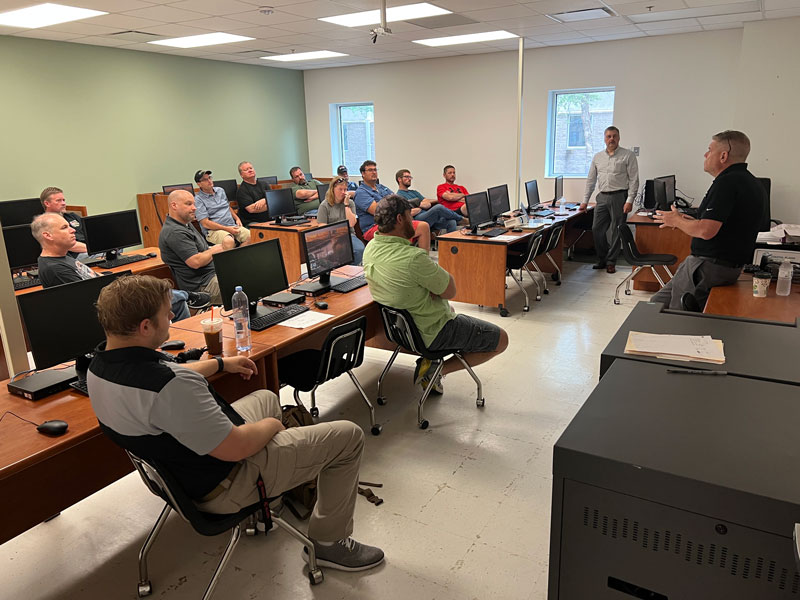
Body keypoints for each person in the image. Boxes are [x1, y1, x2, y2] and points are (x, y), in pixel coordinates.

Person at [88, 274, 384, 572]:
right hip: (224, 483)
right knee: (348, 436)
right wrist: (273, 426)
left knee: (266, 397)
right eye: (167, 313)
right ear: (145, 327)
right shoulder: (172, 387)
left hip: (182, 469)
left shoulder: (100, 366)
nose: (171, 318)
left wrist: (221, 363)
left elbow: (168, 373)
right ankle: (330, 544)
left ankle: (274, 497)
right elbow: (236, 447)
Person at [363, 195, 508, 393]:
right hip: (431, 333)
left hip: (402, 332)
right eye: (408, 216)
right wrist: (431, 288)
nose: (413, 222)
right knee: (501, 339)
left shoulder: (371, 248)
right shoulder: (413, 259)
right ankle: (436, 369)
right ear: (399, 219)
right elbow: (450, 290)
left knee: (449, 307)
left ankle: (431, 363)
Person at [650, 130, 767, 310]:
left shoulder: (727, 183)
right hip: (723, 266)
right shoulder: (750, 181)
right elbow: (726, 223)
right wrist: (686, 220)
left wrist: (676, 221)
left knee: (678, 317)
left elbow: (706, 231)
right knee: (656, 304)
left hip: (708, 266)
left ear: (723, 156)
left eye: (709, 150)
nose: (705, 155)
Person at [31, 212, 205, 319]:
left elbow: (94, 280)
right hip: (113, 308)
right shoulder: (55, 268)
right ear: (48, 235)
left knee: (162, 292)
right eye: (64, 228)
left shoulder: (63, 258)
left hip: (111, 295)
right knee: (173, 300)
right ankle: (186, 299)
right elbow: (91, 300)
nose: (73, 230)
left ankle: (184, 298)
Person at [579, 126, 640, 274]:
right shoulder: (598, 157)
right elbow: (591, 180)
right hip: (602, 196)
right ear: (604, 139)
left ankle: (611, 261)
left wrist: (630, 200)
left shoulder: (628, 155)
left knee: (616, 230)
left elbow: (634, 179)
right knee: (596, 229)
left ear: (618, 138)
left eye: (614, 136)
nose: (611, 139)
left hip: (620, 197)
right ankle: (602, 258)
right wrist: (585, 200)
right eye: (608, 136)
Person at [158, 190, 225, 304]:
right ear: (174, 205)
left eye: (194, 204)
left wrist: (208, 252)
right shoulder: (174, 231)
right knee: (243, 288)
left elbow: (202, 251)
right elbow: (195, 262)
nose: (194, 208)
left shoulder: (185, 224)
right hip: (203, 286)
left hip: (212, 276)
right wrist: (215, 249)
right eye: (188, 204)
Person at [353, 160, 431, 250]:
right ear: (363, 174)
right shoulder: (361, 192)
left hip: (391, 222)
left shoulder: (381, 187)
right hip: (374, 227)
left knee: (423, 226)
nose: (374, 172)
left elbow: (397, 200)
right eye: (370, 170)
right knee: (418, 227)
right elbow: (378, 211)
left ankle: (422, 259)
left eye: (375, 170)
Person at [193, 170, 250, 250]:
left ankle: (238, 257)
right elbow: (205, 223)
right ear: (199, 184)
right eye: (205, 180)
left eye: (209, 178)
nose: (209, 181)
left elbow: (227, 207)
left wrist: (237, 219)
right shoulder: (198, 199)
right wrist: (227, 229)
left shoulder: (220, 190)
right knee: (228, 241)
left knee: (251, 236)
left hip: (231, 226)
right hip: (214, 231)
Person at [395, 169, 464, 233]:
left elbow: (427, 203)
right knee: (438, 208)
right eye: (406, 177)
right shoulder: (399, 196)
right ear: (399, 179)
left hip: (428, 215)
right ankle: (461, 219)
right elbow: (408, 213)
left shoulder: (414, 192)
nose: (409, 179)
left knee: (451, 222)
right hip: (417, 219)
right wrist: (420, 206)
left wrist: (417, 204)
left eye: (410, 177)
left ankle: (449, 245)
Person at [317, 177, 364, 265]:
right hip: (331, 237)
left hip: (348, 235)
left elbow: (352, 223)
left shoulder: (350, 203)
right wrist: (333, 237)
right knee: (338, 253)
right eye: (340, 189)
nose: (343, 192)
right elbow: (321, 226)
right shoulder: (324, 205)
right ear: (333, 190)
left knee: (359, 250)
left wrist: (346, 205)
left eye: (345, 189)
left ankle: (352, 273)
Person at [40, 186, 88, 257]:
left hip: (88, 250)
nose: (63, 203)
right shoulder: (45, 223)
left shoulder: (72, 216)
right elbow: (67, 245)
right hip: (75, 256)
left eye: (63, 200)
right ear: (47, 203)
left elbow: (89, 233)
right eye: (58, 200)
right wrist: (94, 248)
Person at [235, 161, 270, 227]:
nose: (250, 170)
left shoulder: (264, 184)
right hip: (253, 222)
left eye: (251, 168)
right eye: (246, 170)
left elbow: (274, 201)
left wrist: (264, 200)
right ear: (241, 175)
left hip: (269, 219)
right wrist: (269, 203)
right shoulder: (242, 190)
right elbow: (252, 209)